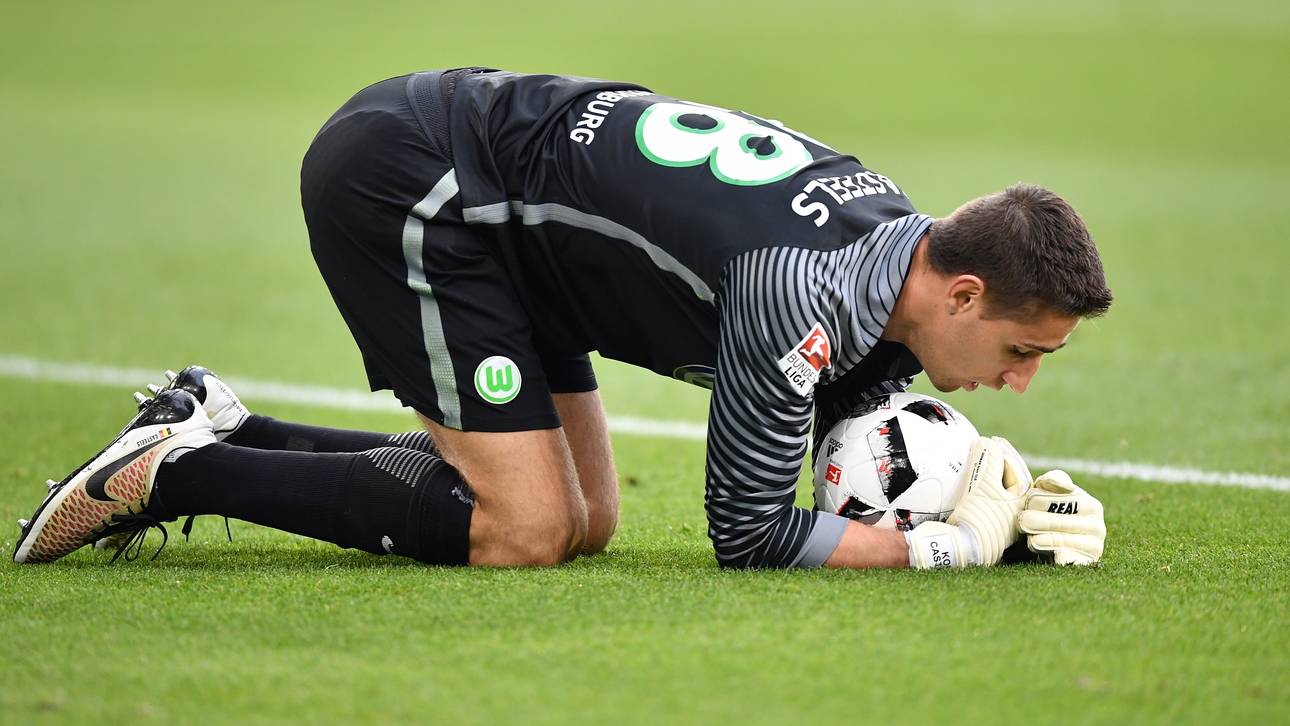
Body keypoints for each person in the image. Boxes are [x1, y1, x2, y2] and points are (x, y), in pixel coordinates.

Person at [13, 68, 1111, 570]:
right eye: (1021, 352)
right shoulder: (803, 293)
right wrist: (943, 550)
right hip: (420, 183)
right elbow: (753, 532)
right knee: (523, 530)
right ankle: (179, 469)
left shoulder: (889, 256)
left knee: (587, 521)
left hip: (516, 234)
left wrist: (987, 485)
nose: (1019, 381)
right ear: (961, 292)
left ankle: (222, 427)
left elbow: (852, 432)